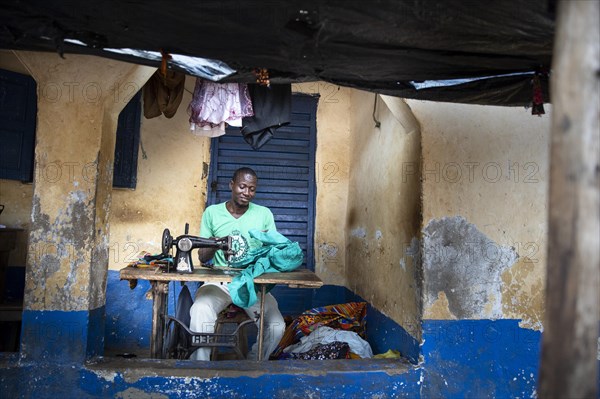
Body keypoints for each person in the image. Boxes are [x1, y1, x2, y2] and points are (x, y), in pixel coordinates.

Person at [189, 167, 285, 360]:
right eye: (242, 187)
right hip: (219, 283)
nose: (247, 193)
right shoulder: (212, 213)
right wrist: (217, 242)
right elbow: (202, 257)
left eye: (252, 189)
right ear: (231, 185)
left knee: (276, 325)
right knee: (200, 310)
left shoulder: (264, 214)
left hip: (251, 283)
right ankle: (200, 367)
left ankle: (254, 363)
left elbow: (273, 250)